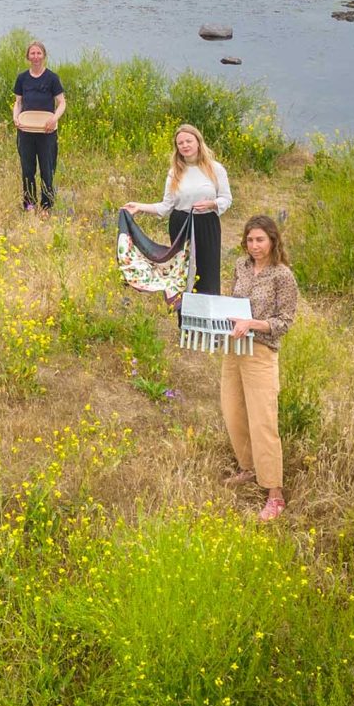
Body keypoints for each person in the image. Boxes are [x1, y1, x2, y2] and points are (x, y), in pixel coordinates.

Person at [222, 214, 298, 522]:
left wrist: (254, 323)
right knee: (233, 411)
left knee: (263, 421)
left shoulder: (283, 276)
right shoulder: (241, 266)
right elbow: (232, 300)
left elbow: (285, 322)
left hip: (261, 351)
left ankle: (274, 493)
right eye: (250, 240)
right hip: (233, 349)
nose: (254, 246)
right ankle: (248, 468)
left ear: (272, 241)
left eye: (260, 240)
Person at [122, 122, 232, 295]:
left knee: (207, 270)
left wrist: (213, 204)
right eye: (180, 143)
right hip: (181, 224)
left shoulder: (215, 168)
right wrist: (139, 207)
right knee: (183, 272)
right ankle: (184, 318)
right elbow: (166, 206)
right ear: (177, 147)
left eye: (189, 141)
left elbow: (226, 198)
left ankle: (205, 315)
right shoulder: (175, 172)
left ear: (198, 142)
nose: (185, 145)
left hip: (207, 223)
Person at [11, 40, 66, 212]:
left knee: (47, 170)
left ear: (44, 55)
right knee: (27, 170)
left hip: (47, 131)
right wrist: (15, 117)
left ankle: (47, 206)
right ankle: (29, 204)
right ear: (28, 56)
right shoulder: (22, 78)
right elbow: (18, 103)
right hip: (26, 131)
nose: (36, 57)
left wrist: (54, 119)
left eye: (38, 53)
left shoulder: (52, 78)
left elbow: (62, 103)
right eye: (32, 53)